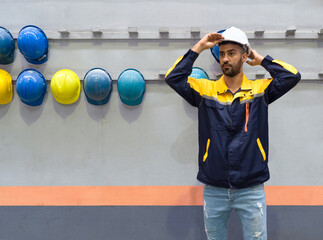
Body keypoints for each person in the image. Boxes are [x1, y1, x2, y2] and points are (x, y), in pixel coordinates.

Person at [165, 27, 301, 240]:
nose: (225, 59)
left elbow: (292, 76)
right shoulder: (205, 90)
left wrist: (262, 60)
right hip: (215, 189)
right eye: (221, 54)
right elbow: (173, 77)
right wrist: (199, 47)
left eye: (232, 53)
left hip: (251, 188)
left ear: (244, 56)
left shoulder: (260, 90)